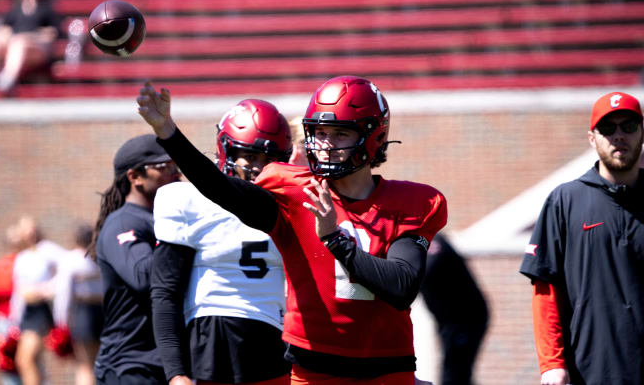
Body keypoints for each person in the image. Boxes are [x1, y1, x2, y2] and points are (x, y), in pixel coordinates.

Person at [137, 75, 448, 385]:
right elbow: (221, 188)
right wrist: (168, 133)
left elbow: (401, 286)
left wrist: (334, 239)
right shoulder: (292, 192)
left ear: (373, 136)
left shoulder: (410, 202)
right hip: (311, 369)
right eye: (319, 132)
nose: (326, 144)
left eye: (340, 133)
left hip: (387, 368)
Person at [150, 99, 292, 385]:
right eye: (250, 157)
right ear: (226, 151)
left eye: (269, 159)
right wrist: (175, 371)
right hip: (211, 345)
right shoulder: (187, 200)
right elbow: (166, 292)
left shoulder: (289, 204)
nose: (259, 168)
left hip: (274, 346)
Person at [520, 91, 644, 385]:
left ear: (642, 132)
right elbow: (544, 289)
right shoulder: (565, 200)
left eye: (628, 126)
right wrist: (552, 363)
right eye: (607, 128)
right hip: (590, 370)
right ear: (592, 138)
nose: (618, 136)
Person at [91, 134, 181, 385]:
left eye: (176, 165)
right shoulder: (124, 222)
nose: (176, 173)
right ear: (135, 177)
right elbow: (143, 276)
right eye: (165, 167)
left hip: (161, 365)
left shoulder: (158, 220)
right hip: (130, 366)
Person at [419, 234, 488, 385]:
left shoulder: (430, 238)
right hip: (448, 320)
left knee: (454, 373)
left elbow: (423, 270)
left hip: (466, 318)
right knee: (457, 371)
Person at [9, 216, 65, 385]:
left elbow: (67, 269)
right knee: (28, 361)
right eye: (25, 229)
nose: (30, 233)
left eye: (32, 228)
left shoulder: (47, 249)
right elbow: (19, 289)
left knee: (26, 358)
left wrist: (46, 290)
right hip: (27, 312)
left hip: (40, 310)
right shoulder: (22, 256)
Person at [52, 223, 102, 385]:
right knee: (100, 361)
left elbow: (64, 295)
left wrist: (61, 321)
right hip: (104, 312)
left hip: (83, 312)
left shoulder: (70, 260)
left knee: (85, 365)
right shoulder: (100, 256)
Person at [0, 224, 26, 385]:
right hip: (6, 321)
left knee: (29, 363)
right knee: (8, 364)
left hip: (26, 320)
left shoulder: (28, 261)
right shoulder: (3, 265)